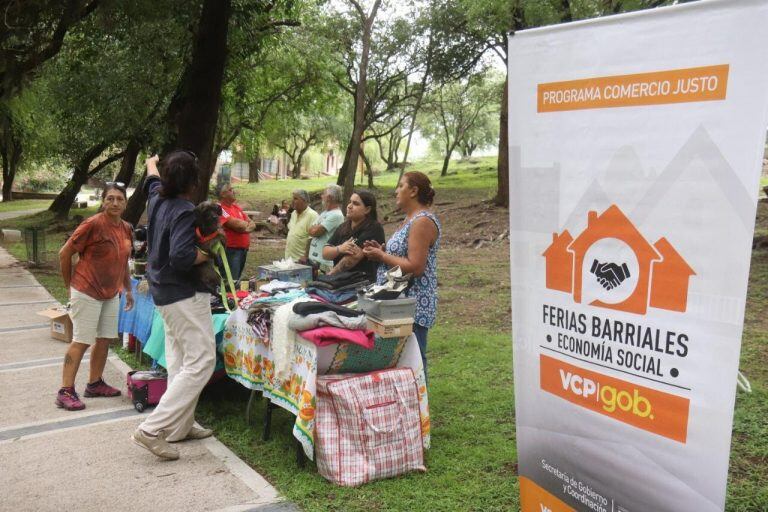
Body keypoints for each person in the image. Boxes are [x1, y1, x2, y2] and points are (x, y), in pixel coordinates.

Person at [131, 151, 215, 461]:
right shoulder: (183, 210)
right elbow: (181, 258)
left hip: (163, 295)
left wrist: (152, 161)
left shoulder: (156, 197)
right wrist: (208, 254)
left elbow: (151, 178)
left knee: (181, 360)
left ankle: (180, 426)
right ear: (193, 182)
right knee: (202, 361)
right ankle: (152, 429)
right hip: (182, 295)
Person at [55, 184, 134, 411]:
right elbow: (64, 253)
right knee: (81, 340)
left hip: (111, 294)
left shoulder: (126, 228)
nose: (115, 203)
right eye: (110, 198)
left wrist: (127, 289)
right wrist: (69, 286)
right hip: (86, 290)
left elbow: (122, 261)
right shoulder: (92, 224)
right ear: (103, 201)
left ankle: (95, 383)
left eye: (119, 199)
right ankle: (65, 391)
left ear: (125, 203)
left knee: (104, 339)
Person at [363, 172, 441, 377]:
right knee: (400, 362)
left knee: (413, 362)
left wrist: (382, 255)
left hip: (412, 304)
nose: (396, 190)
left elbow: (416, 266)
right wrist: (381, 254)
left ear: (413, 191)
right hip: (397, 302)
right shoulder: (409, 219)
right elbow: (403, 257)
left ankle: (419, 406)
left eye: (400, 186)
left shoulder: (422, 221)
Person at [323, 189, 385, 282]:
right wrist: (340, 248)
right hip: (340, 282)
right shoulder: (343, 227)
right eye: (350, 202)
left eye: (355, 204)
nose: (349, 206)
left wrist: (330, 276)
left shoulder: (374, 228)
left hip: (361, 284)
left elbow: (353, 257)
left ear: (367, 209)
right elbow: (325, 253)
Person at [216, 182, 255, 280]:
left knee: (236, 280)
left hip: (243, 250)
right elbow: (237, 225)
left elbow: (252, 224)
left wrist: (243, 227)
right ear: (223, 194)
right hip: (231, 251)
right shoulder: (219, 208)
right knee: (230, 281)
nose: (234, 191)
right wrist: (244, 226)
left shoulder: (236, 207)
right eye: (230, 190)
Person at [307, 184, 345, 273]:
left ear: (329, 197)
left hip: (324, 263)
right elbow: (310, 230)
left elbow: (315, 231)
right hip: (314, 260)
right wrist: (315, 229)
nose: (321, 196)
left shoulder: (336, 215)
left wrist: (315, 229)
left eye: (323, 194)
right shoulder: (325, 213)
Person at [284, 189, 318, 262]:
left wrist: (306, 256)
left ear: (304, 200)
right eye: (292, 198)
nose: (292, 201)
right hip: (289, 260)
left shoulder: (312, 215)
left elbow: (312, 239)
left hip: (302, 261)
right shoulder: (293, 214)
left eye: (295, 199)